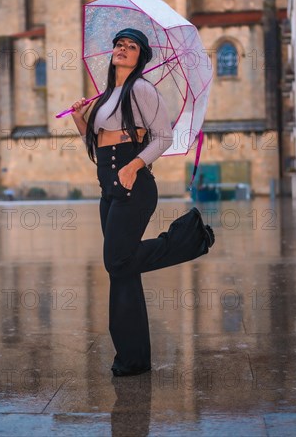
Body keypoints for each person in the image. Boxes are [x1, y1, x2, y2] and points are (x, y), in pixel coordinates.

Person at [71, 28, 215, 377]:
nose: (121, 49)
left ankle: (187, 240)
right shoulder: (108, 95)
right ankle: (132, 359)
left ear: (140, 57)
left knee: (117, 260)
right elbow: (99, 146)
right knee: (123, 272)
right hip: (109, 189)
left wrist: (135, 166)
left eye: (130, 46)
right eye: (118, 44)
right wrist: (80, 120)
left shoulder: (141, 89)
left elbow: (163, 136)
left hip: (135, 187)